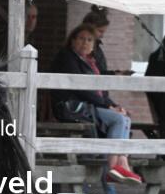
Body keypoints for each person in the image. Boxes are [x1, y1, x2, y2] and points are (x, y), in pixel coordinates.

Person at [51, 24, 142, 185]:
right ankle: (112, 167)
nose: (85, 43)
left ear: (93, 45)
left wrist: (115, 106)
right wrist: (108, 107)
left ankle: (123, 163)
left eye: (89, 40)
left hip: (89, 106)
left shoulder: (90, 62)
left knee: (125, 117)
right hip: (73, 107)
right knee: (118, 119)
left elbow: (100, 93)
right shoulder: (67, 57)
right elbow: (82, 89)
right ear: (72, 40)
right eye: (81, 38)